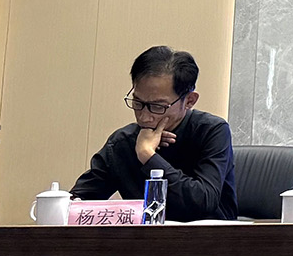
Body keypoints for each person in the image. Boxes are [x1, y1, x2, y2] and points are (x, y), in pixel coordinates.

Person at [72, 45, 236, 220]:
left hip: (208, 235)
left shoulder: (212, 131)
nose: (144, 117)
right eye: (137, 103)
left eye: (157, 106)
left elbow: (203, 201)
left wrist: (147, 156)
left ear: (189, 101)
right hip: (143, 237)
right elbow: (79, 201)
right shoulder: (123, 141)